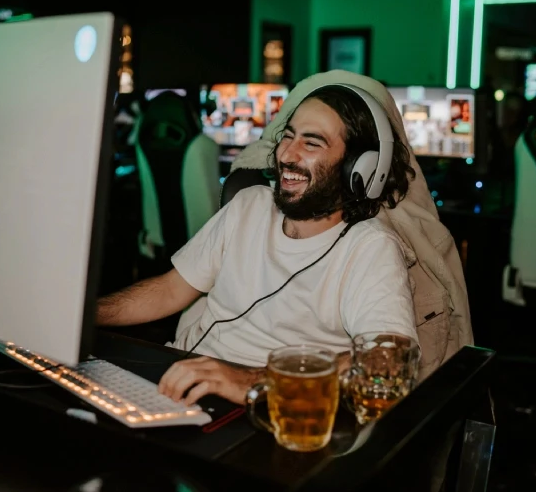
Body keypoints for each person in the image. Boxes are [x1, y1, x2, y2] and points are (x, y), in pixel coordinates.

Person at [97, 84, 418, 405]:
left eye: (312, 142)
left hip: (272, 406)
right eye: (288, 136)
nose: (287, 154)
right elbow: (170, 290)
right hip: (182, 378)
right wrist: (86, 314)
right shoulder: (249, 204)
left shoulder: (370, 248)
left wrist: (252, 381)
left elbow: (388, 362)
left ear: (359, 168)